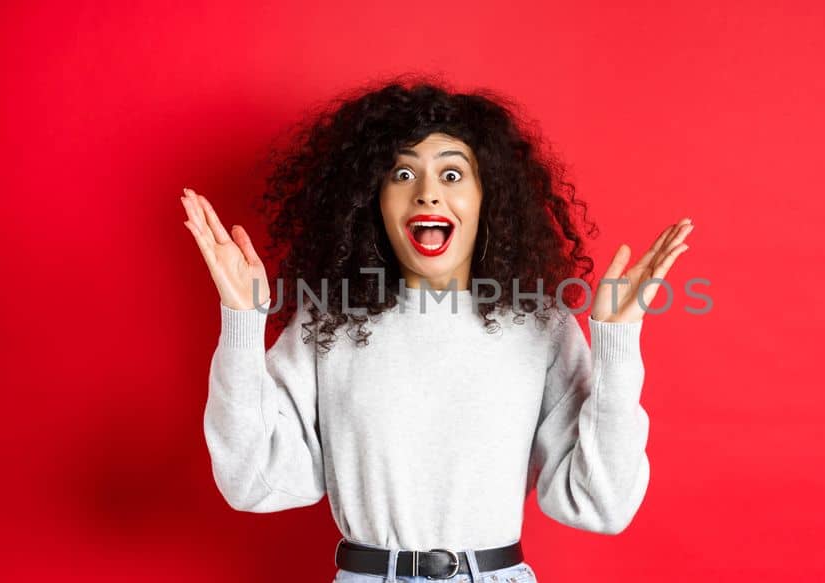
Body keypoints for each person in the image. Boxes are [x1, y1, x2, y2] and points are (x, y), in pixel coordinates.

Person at [180, 77, 694, 582]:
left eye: (452, 175)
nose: (427, 194)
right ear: (373, 202)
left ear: (486, 197)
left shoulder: (540, 324)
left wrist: (618, 347)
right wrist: (243, 323)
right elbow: (254, 481)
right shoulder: (327, 322)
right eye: (402, 175)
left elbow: (599, 506)